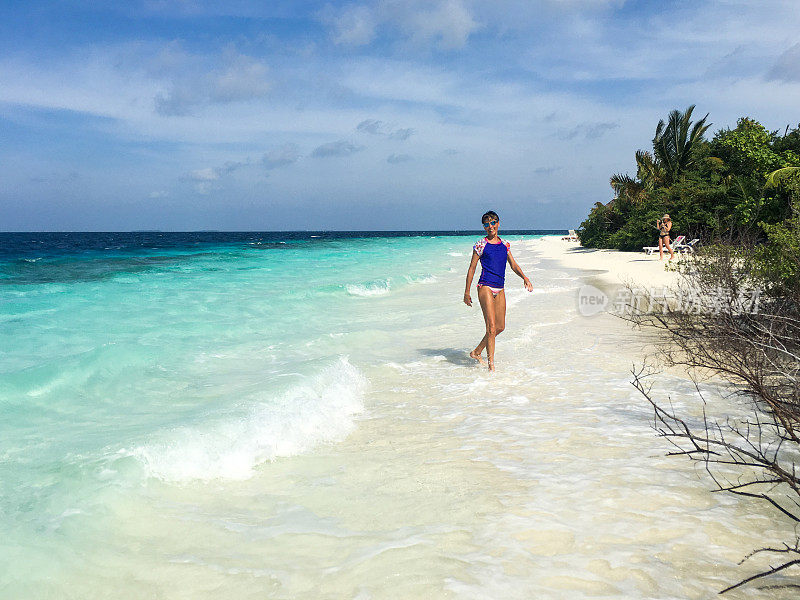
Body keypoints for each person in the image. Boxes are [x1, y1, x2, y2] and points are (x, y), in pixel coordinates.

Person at [463, 211, 533, 371]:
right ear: (484, 227)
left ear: (498, 223)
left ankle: (477, 352)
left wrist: (525, 277)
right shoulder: (480, 244)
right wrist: (467, 292)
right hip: (485, 286)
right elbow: (472, 268)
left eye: (493, 223)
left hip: (500, 288)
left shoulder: (505, 245)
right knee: (491, 327)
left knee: (500, 327)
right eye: (486, 224)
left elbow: (513, 265)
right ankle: (491, 366)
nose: (490, 227)